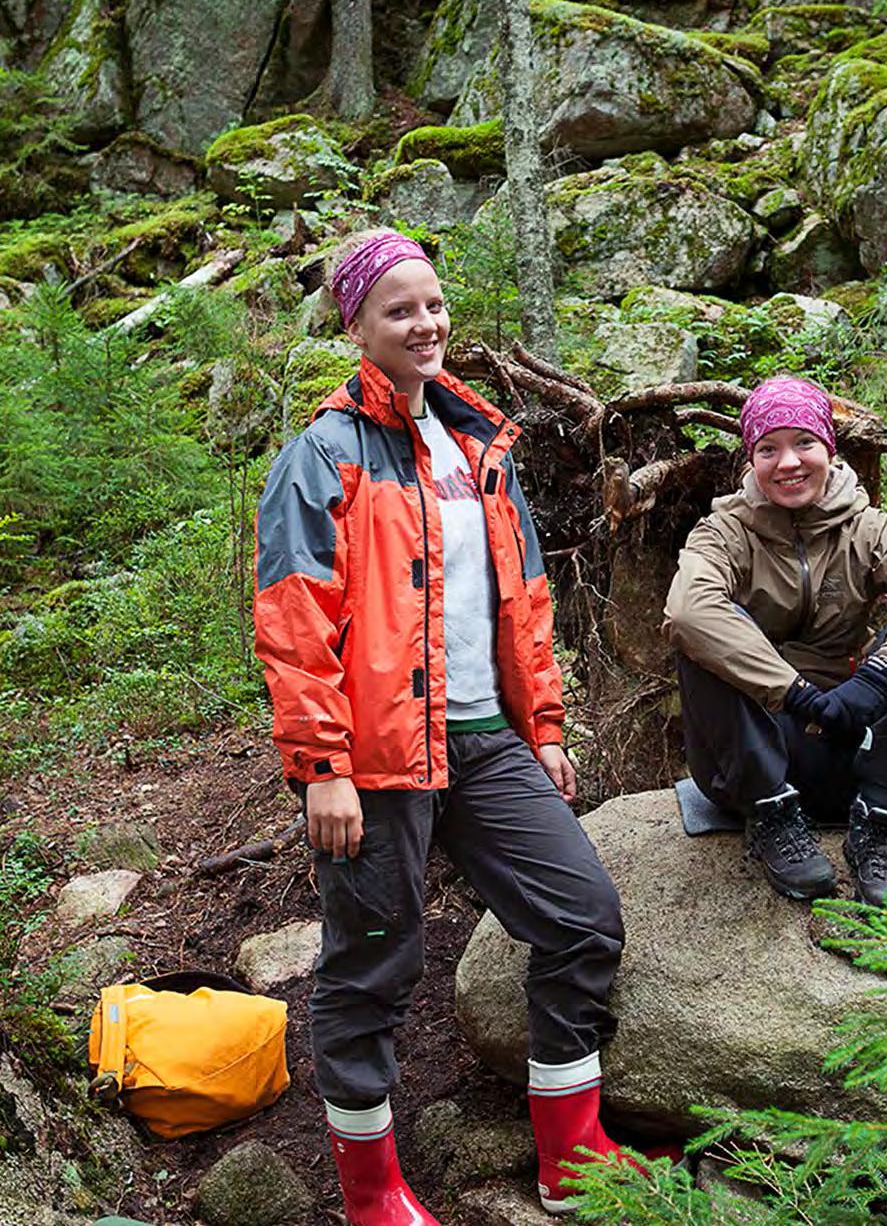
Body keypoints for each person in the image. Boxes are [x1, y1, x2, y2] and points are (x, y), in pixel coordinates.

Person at [254, 229, 627, 1224]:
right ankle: (371, 1189)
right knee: (374, 958)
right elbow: (293, 622)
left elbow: (527, 602)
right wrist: (320, 766)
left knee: (582, 915)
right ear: (358, 325)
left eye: (434, 305)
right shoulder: (322, 455)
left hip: (486, 738)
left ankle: (570, 1152)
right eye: (399, 310)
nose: (426, 324)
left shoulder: (478, 446)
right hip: (373, 756)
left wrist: (544, 728)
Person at [663, 375, 887, 913]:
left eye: (804, 443)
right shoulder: (723, 534)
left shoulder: (868, 529)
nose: (788, 462)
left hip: (847, 744)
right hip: (757, 751)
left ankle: (881, 821)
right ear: (751, 460)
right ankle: (771, 816)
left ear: (828, 449)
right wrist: (793, 693)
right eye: (769, 449)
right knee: (702, 629)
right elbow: (690, 610)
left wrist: (877, 680)